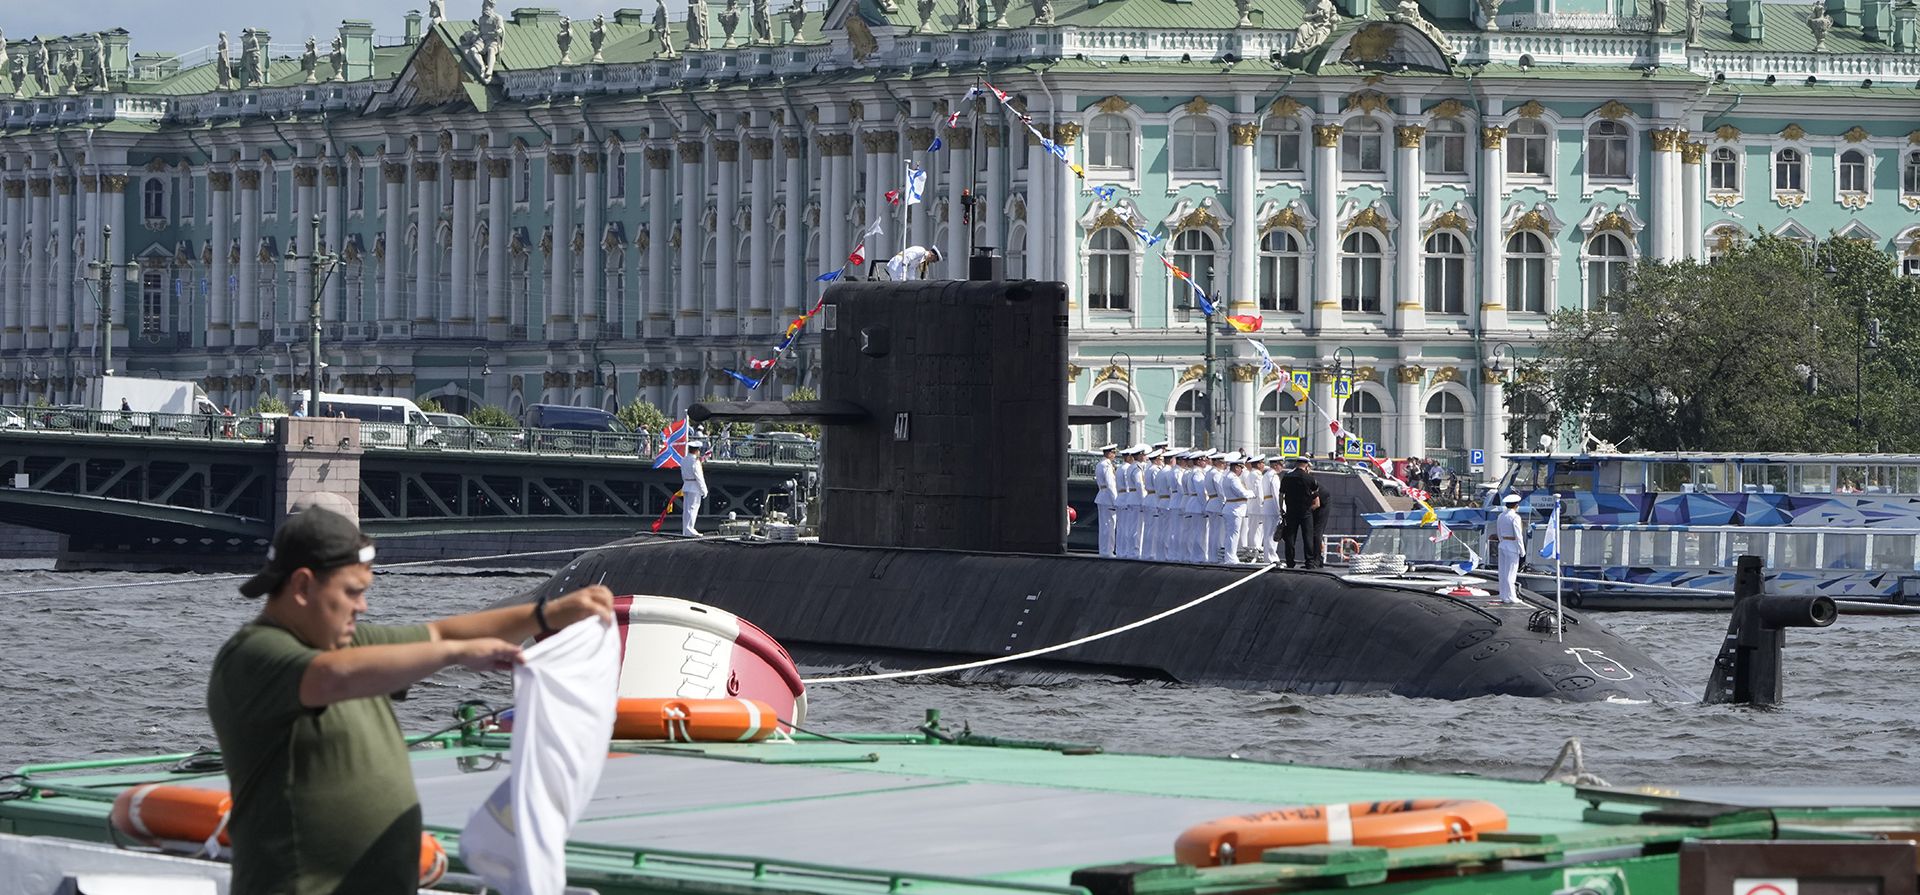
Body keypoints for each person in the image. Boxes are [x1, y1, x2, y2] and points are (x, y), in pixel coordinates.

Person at [206, 506, 614, 894]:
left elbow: (438, 634)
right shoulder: (252, 656)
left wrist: (547, 616)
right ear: (302, 586)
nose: (362, 607)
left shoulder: (345, 643)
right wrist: (455, 656)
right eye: (352, 592)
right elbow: (331, 678)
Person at [1276, 457, 1322, 568]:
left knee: (1290, 537)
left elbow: (1281, 494)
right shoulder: (1309, 478)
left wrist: (1281, 507)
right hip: (1306, 511)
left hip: (1291, 510)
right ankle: (1309, 562)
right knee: (1308, 537)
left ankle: (1290, 561)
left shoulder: (1287, 477)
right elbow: (1315, 495)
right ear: (1306, 465)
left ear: (1296, 464)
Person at [1218, 454, 1252, 564]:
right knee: (1233, 534)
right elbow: (1242, 493)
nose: (1242, 471)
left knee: (1231, 534)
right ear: (1237, 467)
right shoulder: (1233, 479)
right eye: (1241, 468)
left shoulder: (1227, 476)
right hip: (1235, 509)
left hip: (1231, 508)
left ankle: (1230, 556)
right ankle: (1231, 557)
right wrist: (1252, 493)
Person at [1494, 493, 1527, 604]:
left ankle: (1503, 595)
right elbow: (1518, 535)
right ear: (1516, 505)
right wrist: (1522, 550)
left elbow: (1498, 532)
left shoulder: (1501, 516)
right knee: (1511, 573)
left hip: (1503, 544)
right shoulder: (1515, 517)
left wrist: (1502, 542)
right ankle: (1512, 596)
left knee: (1502, 572)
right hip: (1512, 545)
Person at [1093, 443, 1118, 557]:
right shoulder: (1107, 465)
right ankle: (1108, 551)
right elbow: (1110, 484)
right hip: (1108, 498)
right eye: (1113, 452)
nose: (1115, 455)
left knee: (1104, 526)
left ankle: (1103, 550)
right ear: (1108, 453)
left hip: (1101, 496)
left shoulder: (1100, 464)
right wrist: (1115, 501)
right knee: (1109, 526)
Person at [681, 441, 708, 535]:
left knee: (686, 510)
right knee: (693, 508)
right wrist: (704, 489)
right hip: (694, 486)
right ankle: (690, 529)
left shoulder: (684, 459)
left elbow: (683, 473)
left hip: (686, 485)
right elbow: (699, 476)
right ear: (697, 451)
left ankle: (685, 530)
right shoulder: (695, 461)